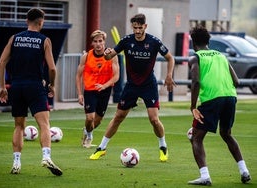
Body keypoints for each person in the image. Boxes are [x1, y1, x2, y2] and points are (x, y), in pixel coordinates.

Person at [89, 13, 176, 162]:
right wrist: (107, 54)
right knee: (118, 117)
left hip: (149, 85)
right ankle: (101, 148)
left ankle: (163, 146)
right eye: (135, 27)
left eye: (140, 28)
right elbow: (109, 57)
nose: (137, 31)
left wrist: (169, 75)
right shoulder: (126, 41)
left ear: (145, 26)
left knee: (154, 119)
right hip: (131, 86)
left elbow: (170, 58)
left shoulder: (154, 42)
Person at [0, 8, 62, 176]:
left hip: (17, 87)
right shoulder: (44, 40)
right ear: (41, 22)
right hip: (35, 86)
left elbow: (1, 62)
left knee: (19, 126)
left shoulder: (14, 39)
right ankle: (46, 156)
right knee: (44, 125)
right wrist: (52, 85)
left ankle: (16, 162)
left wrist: (3, 87)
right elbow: (52, 68)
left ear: (26, 21)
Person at [187, 25, 251, 185]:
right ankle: (244, 171)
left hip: (211, 99)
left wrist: (193, 106)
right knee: (226, 133)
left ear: (193, 43)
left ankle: (205, 176)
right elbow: (237, 81)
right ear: (208, 41)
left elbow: (195, 81)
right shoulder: (221, 56)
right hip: (230, 97)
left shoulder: (196, 58)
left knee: (196, 137)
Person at [76, 30, 119, 148]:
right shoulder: (86, 56)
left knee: (98, 120)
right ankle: (89, 136)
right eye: (95, 41)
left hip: (105, 91)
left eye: (100, 41)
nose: (98, 44)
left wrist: (104, 85)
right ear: (92, 43)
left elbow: (116, 76)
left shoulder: (111, 56)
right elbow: (78, 75)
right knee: (90, 118)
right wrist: (80, 94)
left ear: (104, 42)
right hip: (90, 90)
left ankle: (87, 131)